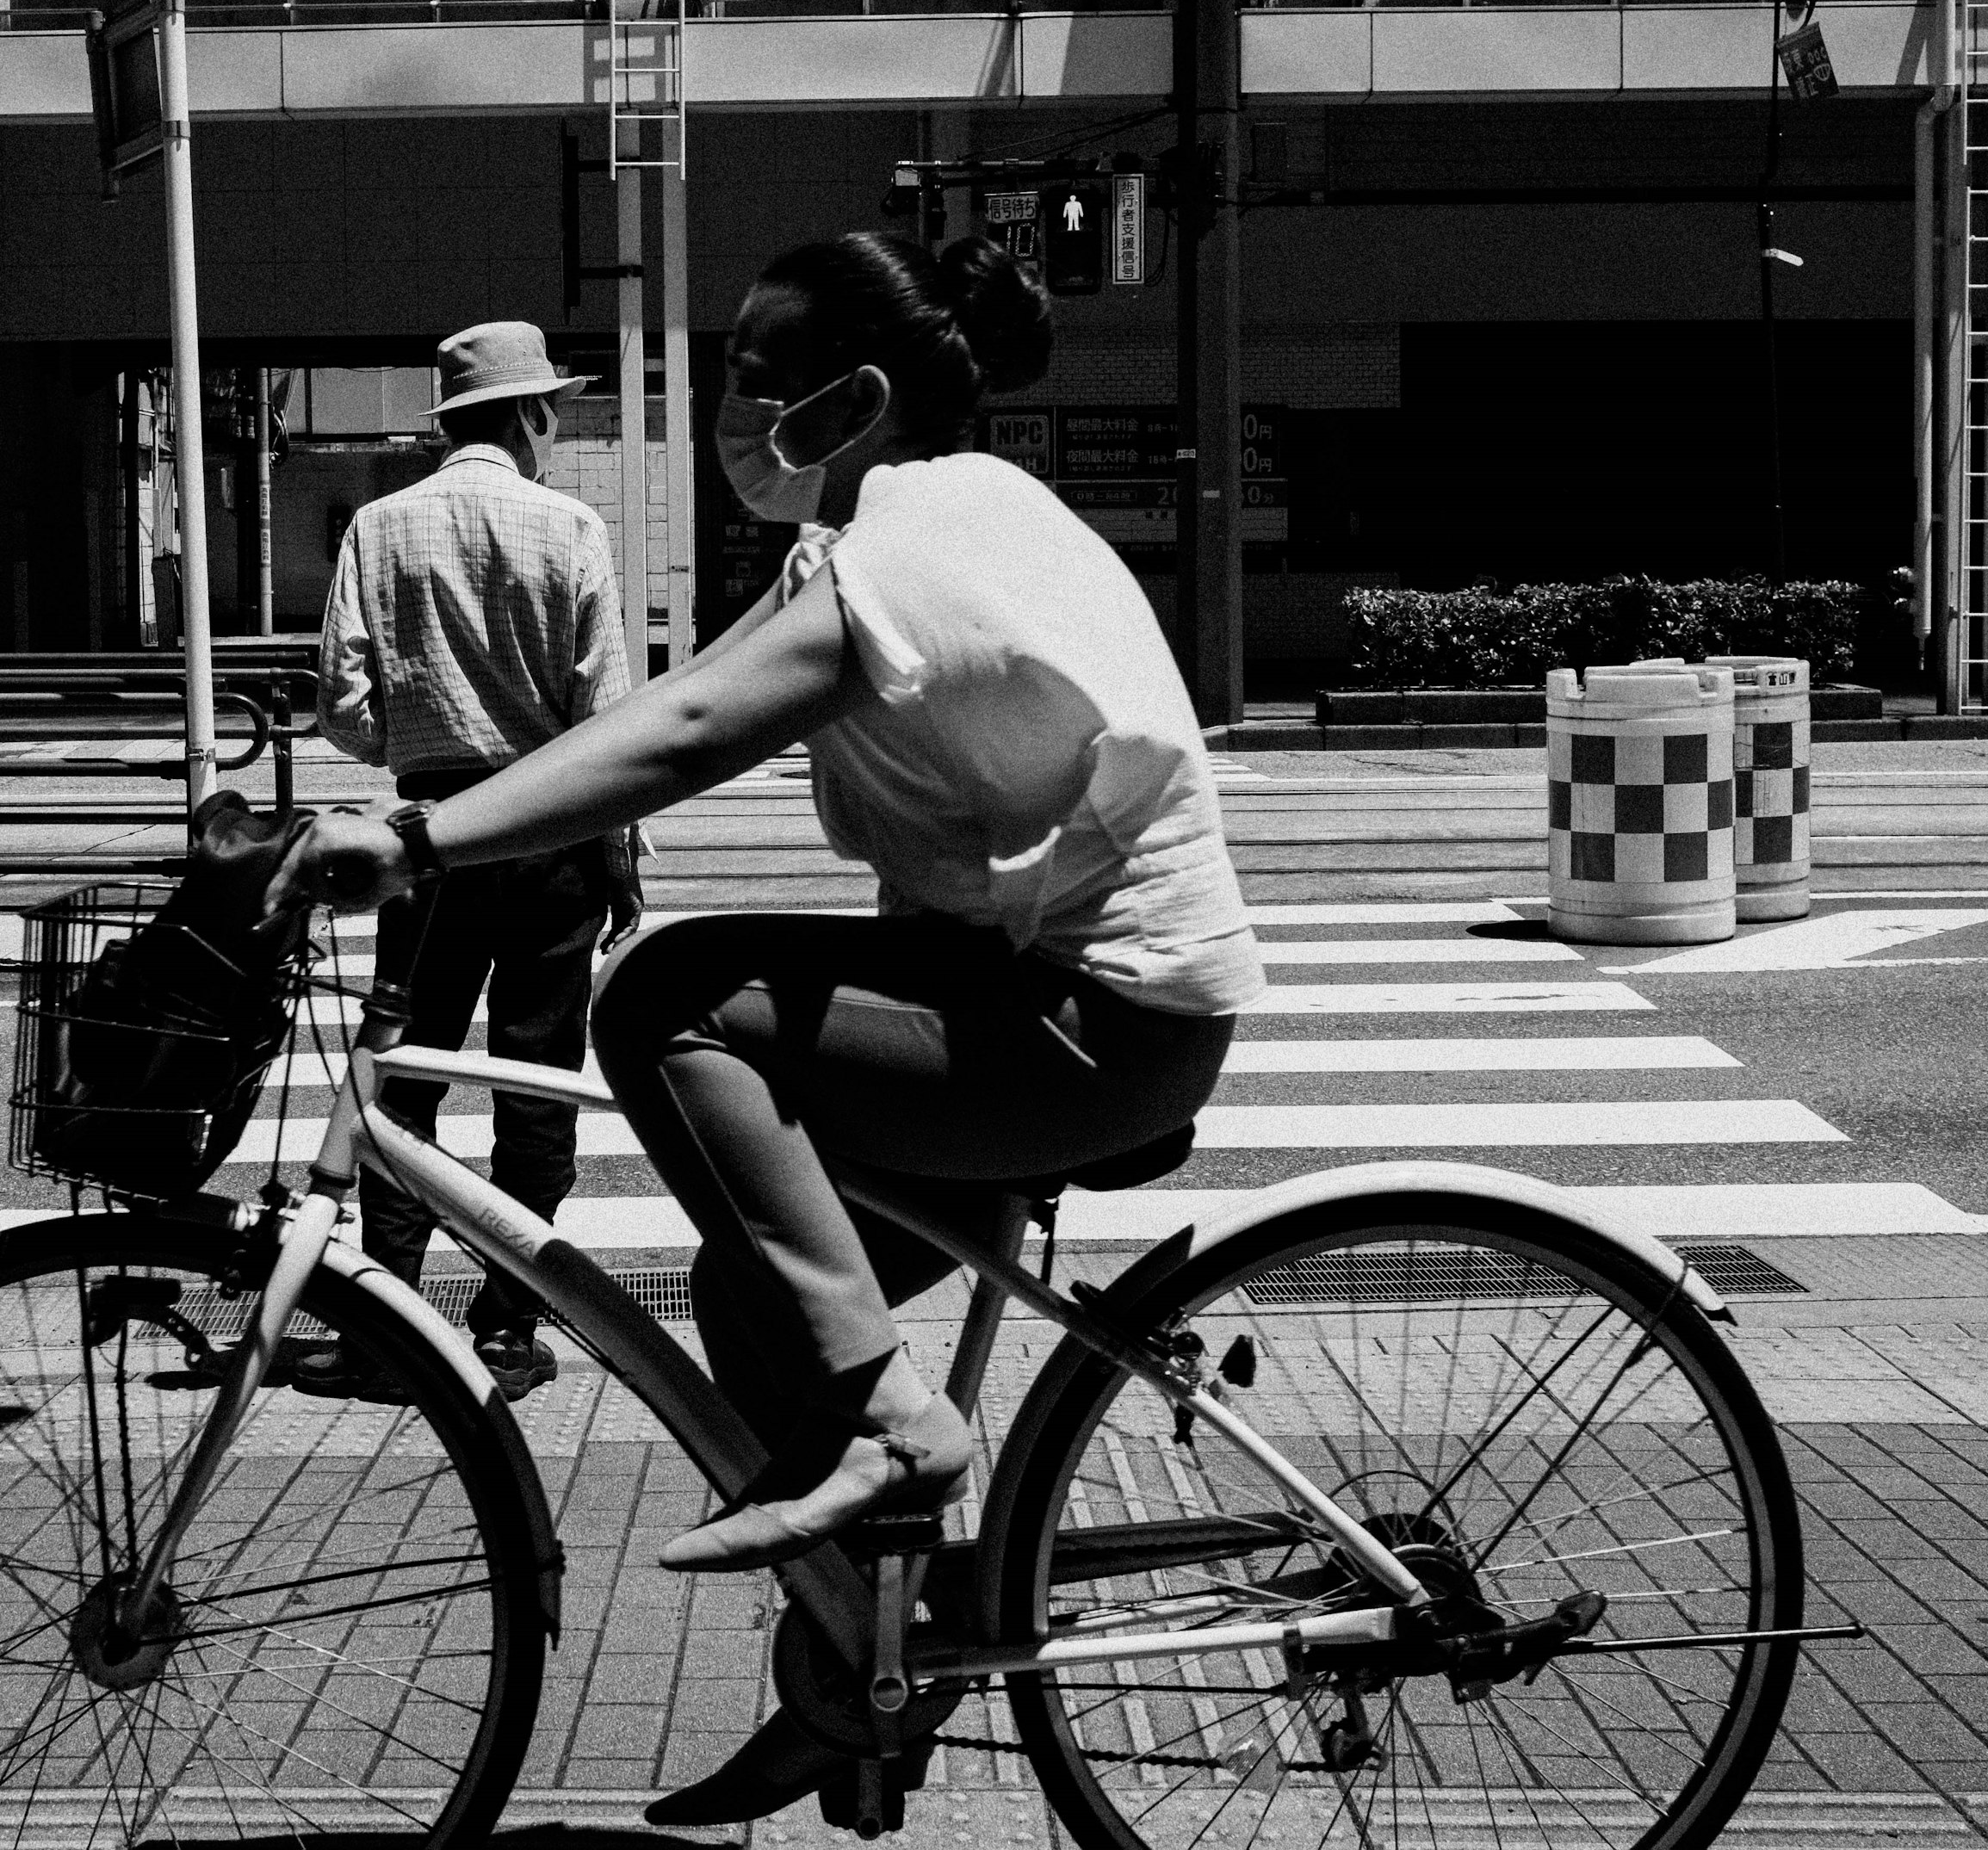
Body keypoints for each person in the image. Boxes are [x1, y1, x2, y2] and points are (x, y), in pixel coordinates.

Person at [280, 233, 1262, 1824]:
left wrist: (425, 844)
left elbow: (678, 732)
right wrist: (430, 821)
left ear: (853, 399)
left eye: (752, 378)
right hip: (1028, 1006)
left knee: (667, 1000)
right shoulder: (885, 535)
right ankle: (855, 1688)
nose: (727, 413)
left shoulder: (920, 541)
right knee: (764, 1309)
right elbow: (647, 714)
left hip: (1095, 1024)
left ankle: (900, 1423)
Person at [300, 319, 638, 1403]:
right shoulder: (571, 526)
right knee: (535, 1089)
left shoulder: (380, 529)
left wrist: (413, 742)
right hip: (553, 838)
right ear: (533, 415)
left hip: (430, 839)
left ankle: (390, 1320)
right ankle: (504, 1327)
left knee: (404, 1084)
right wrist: (624, 857)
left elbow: (342, 707)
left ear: (453, 420)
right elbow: (610, 715)